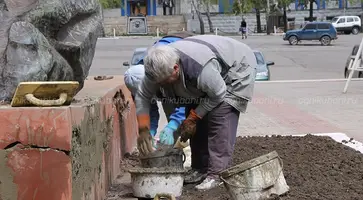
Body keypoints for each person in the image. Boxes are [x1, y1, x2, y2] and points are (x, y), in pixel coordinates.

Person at [134, 35, 257, 190]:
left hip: (237, 67)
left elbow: (218, 94)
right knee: (194, 120)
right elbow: (143, 97)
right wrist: (143, 128)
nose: (163, 85)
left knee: (219, 116)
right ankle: (200, 169)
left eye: (166, 81)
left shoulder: (198, 68)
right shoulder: (155, 71)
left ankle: (217, 174)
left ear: (176, 68)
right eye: (159, 83)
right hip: (208, 76)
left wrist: (193, 117)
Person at [124, 32, 195, 151]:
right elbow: (148, 110)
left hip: (184, 58)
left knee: (182, 117)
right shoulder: (136, 79)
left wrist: (173, 125)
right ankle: (173, 151)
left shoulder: (163, 66)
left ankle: (191, 149)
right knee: (171, 115)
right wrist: (148, 131)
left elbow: (186, 97)